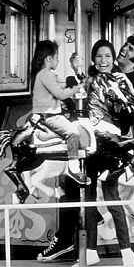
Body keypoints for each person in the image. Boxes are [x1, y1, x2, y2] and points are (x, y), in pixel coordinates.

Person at [37, 37, 134, 264]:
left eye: (129, 49)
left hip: (112, 141)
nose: (122, 51)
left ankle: (123, 249)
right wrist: (76, 69)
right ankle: (87, 250)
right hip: (93, 138)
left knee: (110, 194)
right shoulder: (104, 74)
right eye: (100, 56)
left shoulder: (129, 81)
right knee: (84, 192)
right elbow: (85, 83)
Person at [31, 40, 90, 185]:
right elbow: (60, 94)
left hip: (53, 114)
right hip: (50, 116)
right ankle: (73, 167)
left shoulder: (45, 75)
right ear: (48, 59)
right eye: (57, 58)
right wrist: (76, 88)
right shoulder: (45, 74)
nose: (58, 61)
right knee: (73, 133)